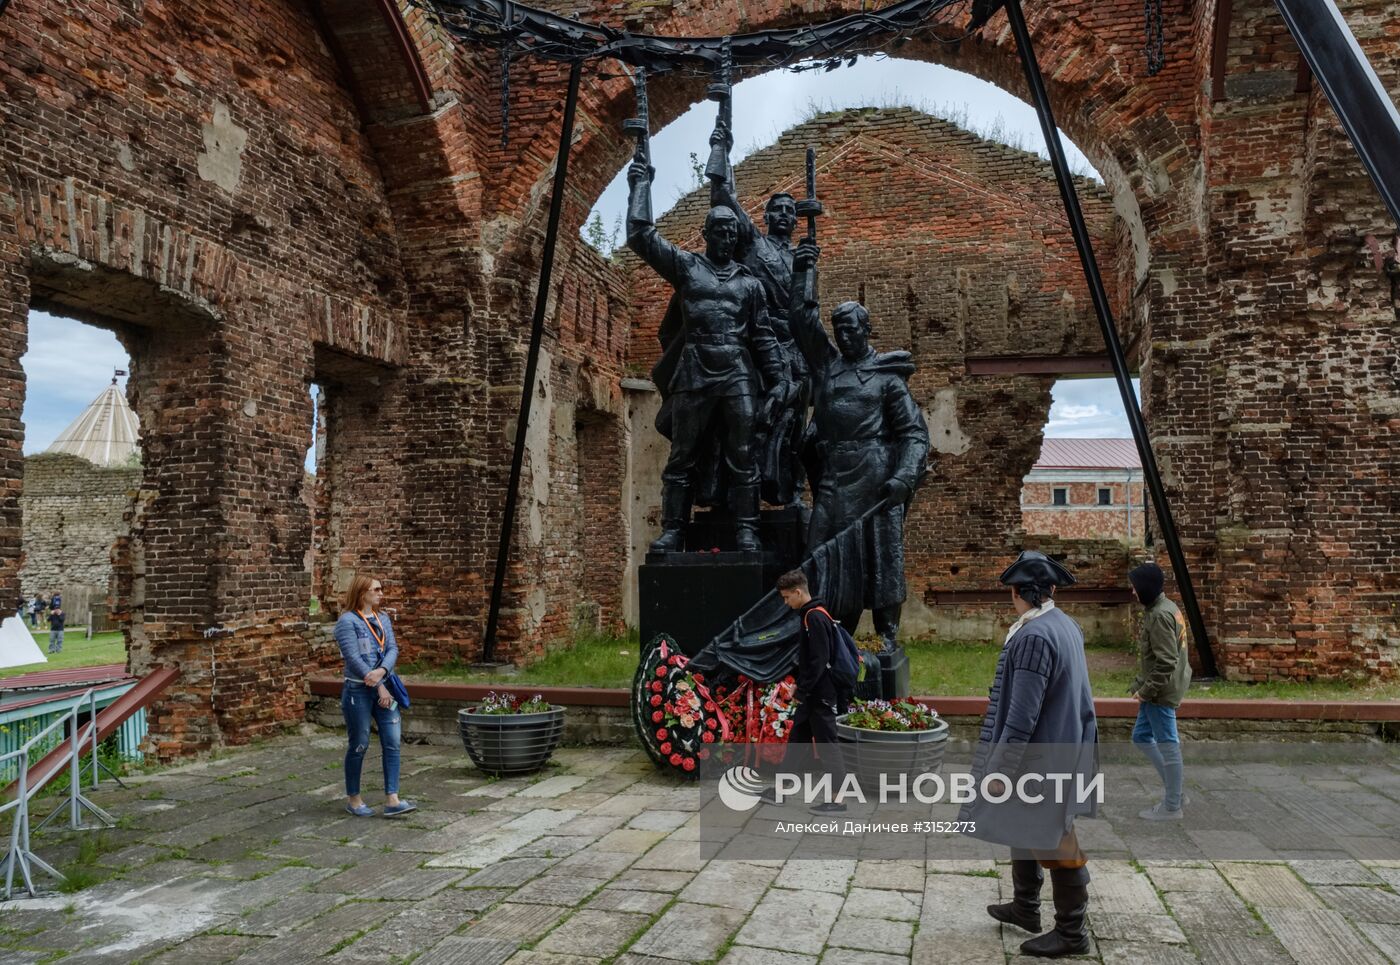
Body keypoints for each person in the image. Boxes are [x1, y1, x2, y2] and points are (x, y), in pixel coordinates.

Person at [628, 158, 790, 553]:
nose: (725, 236)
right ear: (705, 234)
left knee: (743, 454)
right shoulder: (686, 268)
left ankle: (746, 529)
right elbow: (640, 235)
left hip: (736, 373)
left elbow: (764, 336)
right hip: (695, 372)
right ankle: (674, 529)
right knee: (683, 456)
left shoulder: (750, 285)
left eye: (731, 231)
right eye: (718, 229)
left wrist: (780, 378)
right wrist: (641, 185)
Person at [789, 238, 930, 649]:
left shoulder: (887, 378)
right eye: (840, 330)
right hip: (834, 477)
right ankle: (824, 630)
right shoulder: (827, 367)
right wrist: (805, 270)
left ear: (867, 331)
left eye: (852, 330)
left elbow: (914, 433)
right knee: (820, 554)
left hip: (875, 476)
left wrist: (904, 477)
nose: (845, 336)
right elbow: (801, 319)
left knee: (881, 557)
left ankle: (886, 635)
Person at [968, 550, 1097, 958]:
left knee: (1057, 841)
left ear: (1015, 593)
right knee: (1021, 825)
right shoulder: (1064, 624)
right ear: (1051, 590)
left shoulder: (1033, 638)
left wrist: (1000, 769)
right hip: (1065, 745)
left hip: (1041, 756)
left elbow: (1022, 717)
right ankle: (1025, 907)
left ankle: (1072, 934)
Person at [762, 568, 848, 815]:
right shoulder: (812, 615)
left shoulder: (814, 617)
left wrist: (801, 690)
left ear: (798, 592)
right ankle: (779, 791)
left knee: (828, 746)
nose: (786, 603)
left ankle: (838, 800)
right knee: (797, 740)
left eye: (787, 597)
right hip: (813, 694)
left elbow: (819, 660)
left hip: (819, 695)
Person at [334, 574, 414, 817]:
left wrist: (382, 672)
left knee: (392, 741)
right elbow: (353, 657)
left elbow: (392, 648)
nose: (381, 593)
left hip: (385, 685)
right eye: (376, 589)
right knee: (360, 743)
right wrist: (376, 682)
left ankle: (392, 798)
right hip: (359, 690)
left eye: (381, 589)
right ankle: (354, 799)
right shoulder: (348, 621)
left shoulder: (383, 618)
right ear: (362, 593)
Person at [1128, 561, 1192, 820]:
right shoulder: (1168, 607)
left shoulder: (1159, 616)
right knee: (1141, 737)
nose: (1132, 592)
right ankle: (1176, 792)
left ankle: (1172, 807)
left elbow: (1166, 661)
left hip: (1161, 692)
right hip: (1161, 688)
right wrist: (1139, 685)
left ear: (1145, 588)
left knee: (1168, 745)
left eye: (1134, 587)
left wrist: (1146, 691)